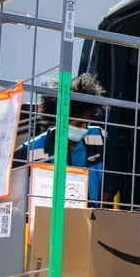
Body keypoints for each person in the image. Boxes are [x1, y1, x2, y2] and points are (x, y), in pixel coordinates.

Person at [17, 72, 107, 204]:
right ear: (57, 119)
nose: (83, 129)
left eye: (87, 123)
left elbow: (110, 183)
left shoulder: (99, 138)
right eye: (78, 123)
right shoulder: (29, 151)